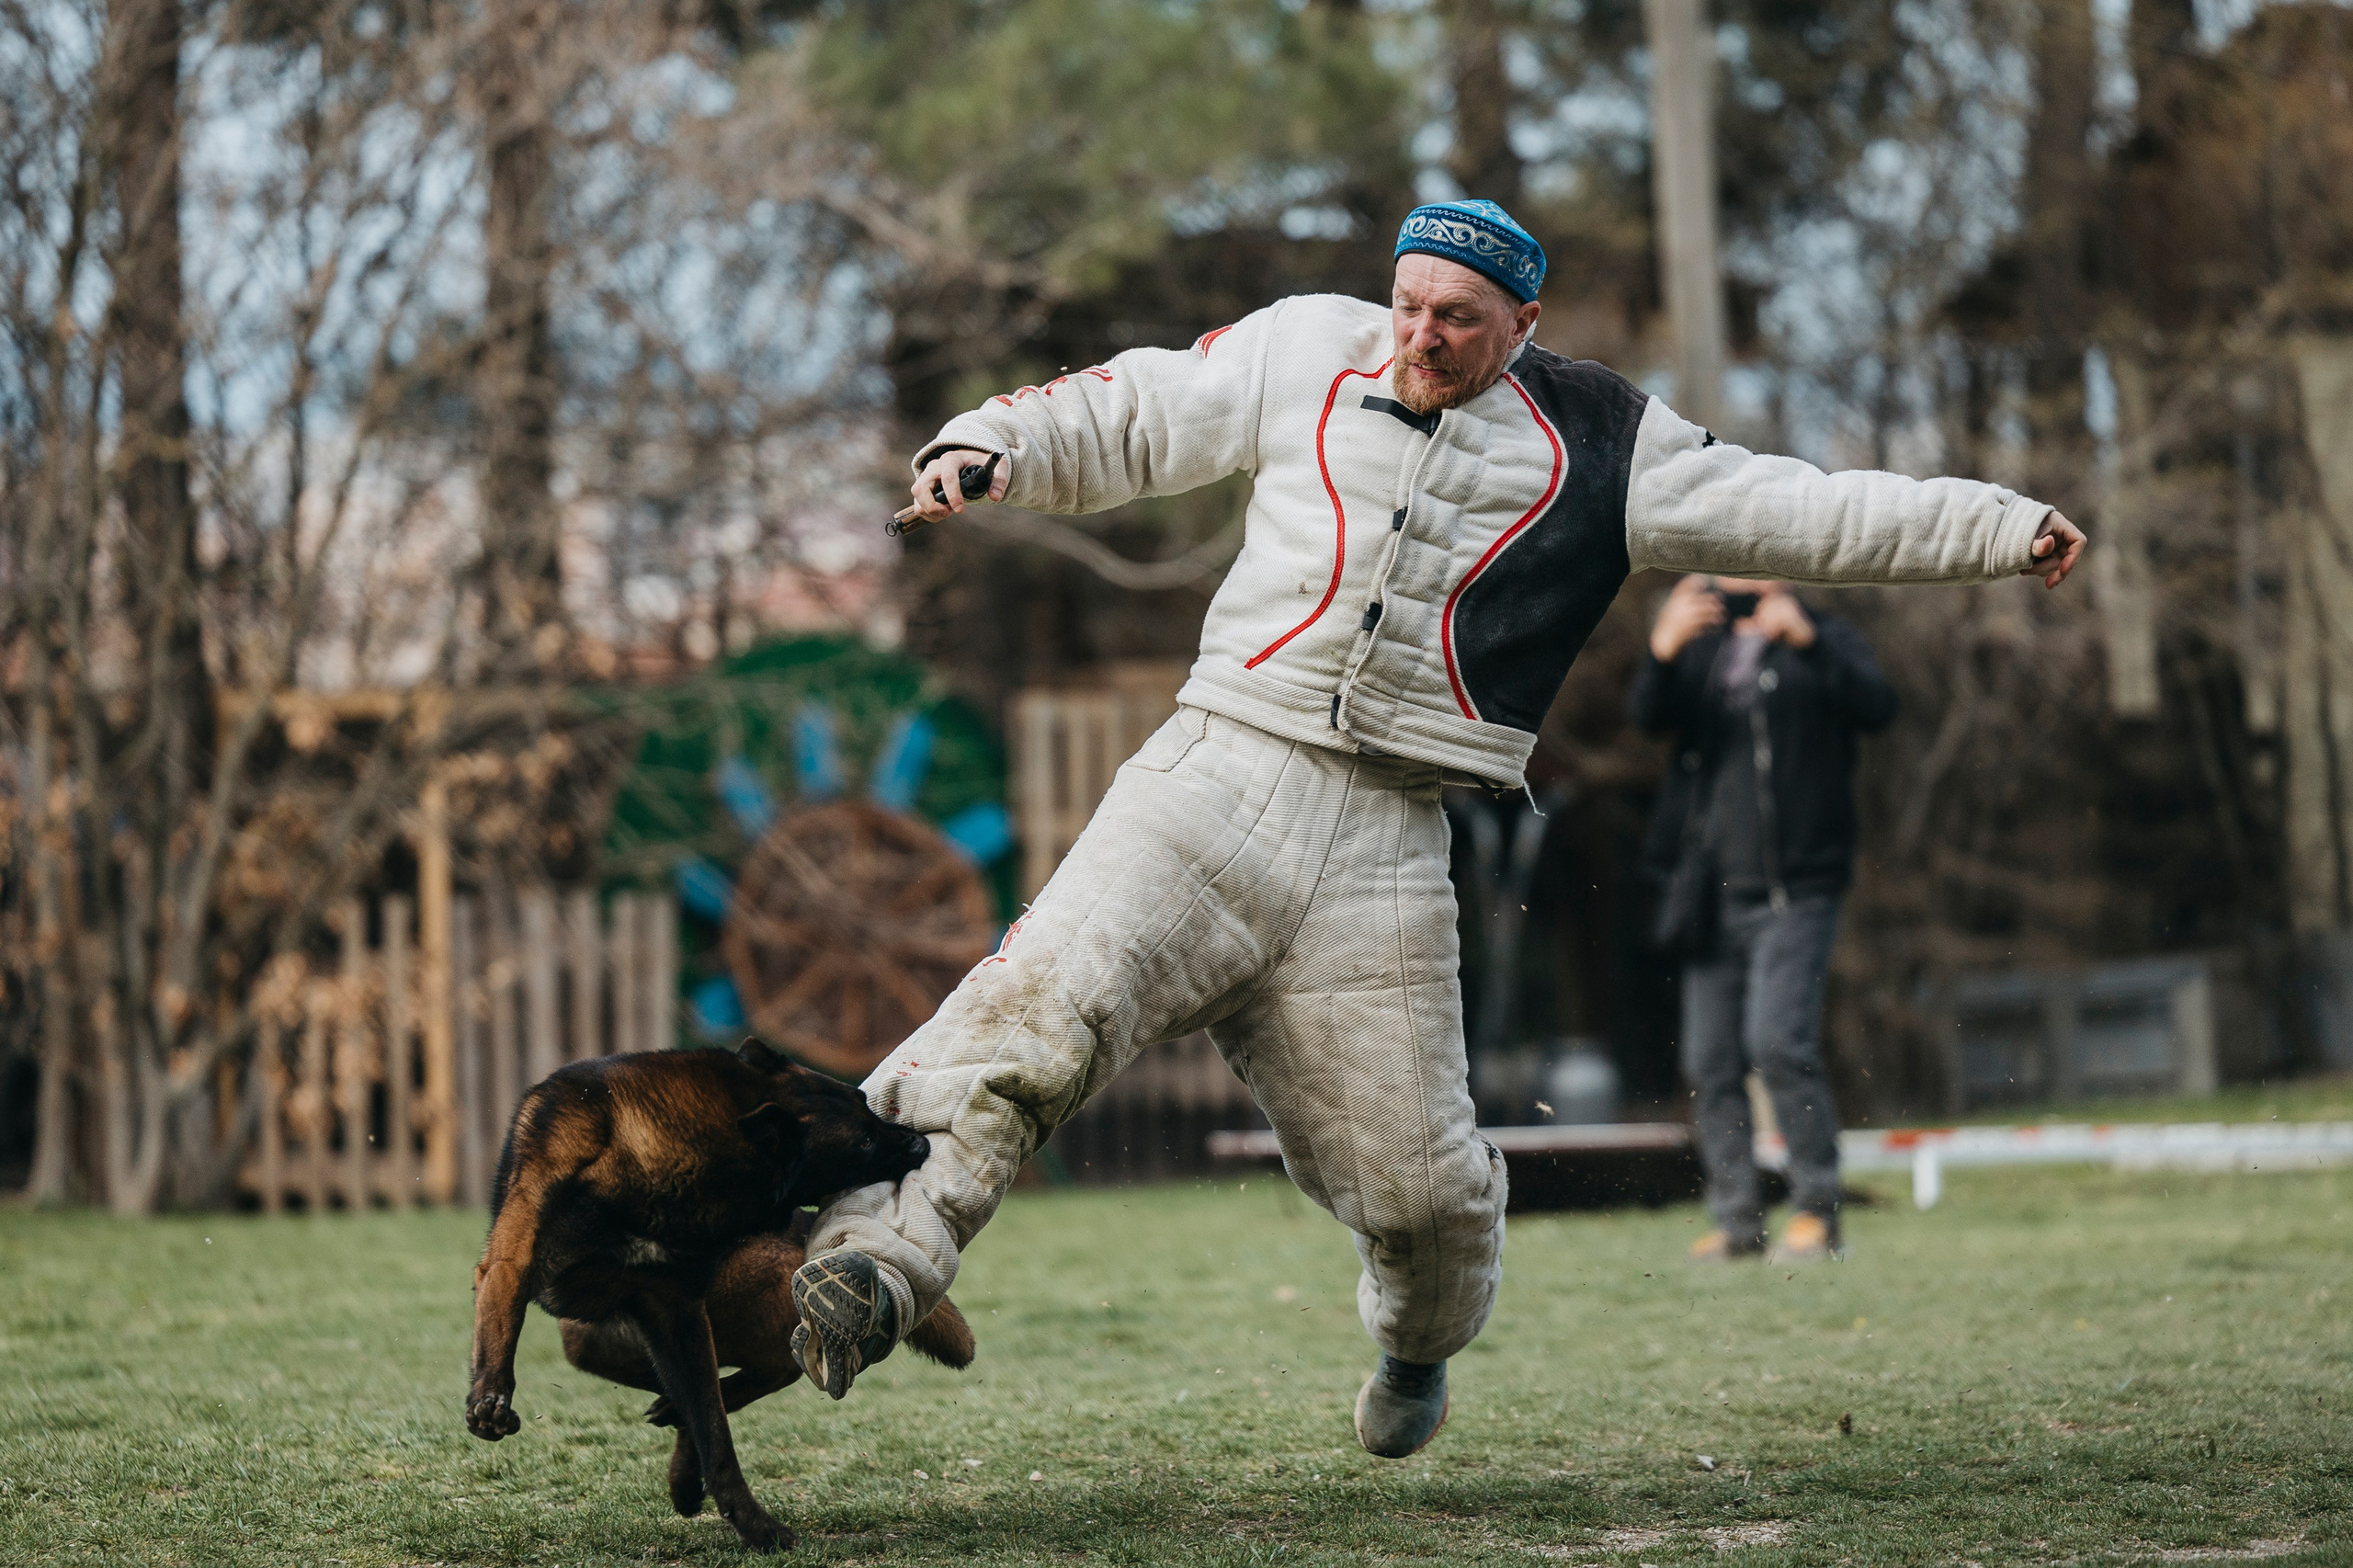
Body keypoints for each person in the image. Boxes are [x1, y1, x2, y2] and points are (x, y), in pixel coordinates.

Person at [788, 199, 2086, 1460]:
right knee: (1027, 1016)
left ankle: (1414, 1353)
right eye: (1408, 305)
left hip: (1388, 839)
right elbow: (1133, 408)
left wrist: (1999, 525)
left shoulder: (1604, 443)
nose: (1420, 336)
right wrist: (986, 445)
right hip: (1209, 777)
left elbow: (1800, 507)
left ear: (1523, 322)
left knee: (1425, 1192)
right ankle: (869, 1265)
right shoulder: (1304, 347)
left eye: (1457, 319)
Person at [1632, 575, 1893, 1264]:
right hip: (1710, 897)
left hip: (1797, 888)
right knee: (1710, 1061)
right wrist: (1662, 648)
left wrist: (1807, 642)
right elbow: (1648, 721)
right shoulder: (1698, 643)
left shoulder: (1826, 635)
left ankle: (1817, 1211)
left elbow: (1877, 707)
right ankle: (1739, 1222)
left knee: (1777, 1044)